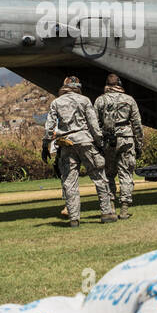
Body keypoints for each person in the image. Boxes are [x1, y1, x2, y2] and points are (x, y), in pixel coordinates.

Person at [42, 75, 115, 227]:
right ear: (78, 87)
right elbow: (94, 125)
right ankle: (107, 212)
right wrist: (100, 143)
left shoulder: (56, 102)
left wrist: (45, 145)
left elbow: (49, 127)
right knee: (99, 177)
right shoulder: (85, 100)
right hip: (85, 141)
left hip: (66, 144)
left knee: (69, 182)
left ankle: (74, 218)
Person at [94, 73, 145, 219]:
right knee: (126, 173)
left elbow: (94, 123)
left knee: (108, 175)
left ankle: (110, 207)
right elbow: (137, 124)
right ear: (120, 84)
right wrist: (139, 144)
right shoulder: (129, 100)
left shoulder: (100, 101)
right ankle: (124, 209)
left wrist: (98, 143)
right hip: (126, 140)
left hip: (107, 141)